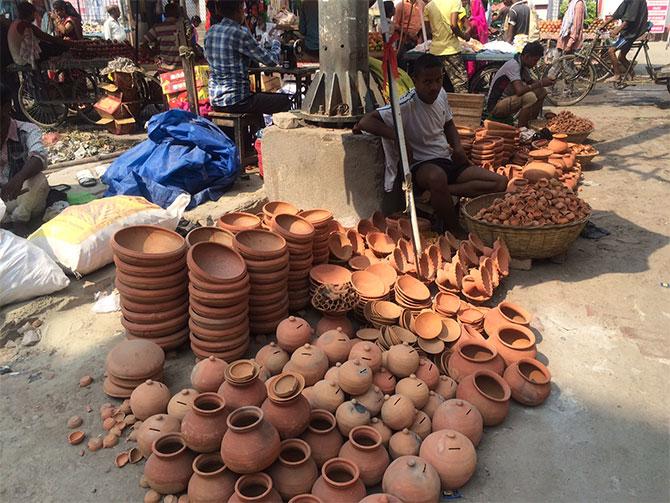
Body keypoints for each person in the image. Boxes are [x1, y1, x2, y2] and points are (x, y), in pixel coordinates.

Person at [355, 54, 507, 233]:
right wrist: (399, 137)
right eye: (427, 82)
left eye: (438, 80)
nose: (434, 87)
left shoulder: (441, 94)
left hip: (446, 159)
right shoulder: (405, 104)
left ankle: (445, 191)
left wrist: (458, 148)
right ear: (415, 80)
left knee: (501, 182)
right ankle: (454, 229)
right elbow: (365, 122)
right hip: (423, 166)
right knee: (437, 178)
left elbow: (448, 123)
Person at [204, 0, 291, 114]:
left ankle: (257, 129)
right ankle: (268, 131)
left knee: (258, 98)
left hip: (216, 101)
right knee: (283, 101)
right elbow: (271, 61)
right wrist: (276, 43)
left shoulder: (210, 31)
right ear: (239, 10)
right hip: (237, 101)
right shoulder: (240, 32)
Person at [0, 84, 49, 230]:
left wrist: (19, 178)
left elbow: (39, 157)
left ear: (7, 107)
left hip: (21, 197)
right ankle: (5, 221)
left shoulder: (27, 130)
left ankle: (18, 222)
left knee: (39, 180)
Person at [486, 41, 554, 127]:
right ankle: (522, 129)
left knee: (541, 91)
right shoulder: (513, 65)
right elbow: (519, 91)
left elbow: (531, 83)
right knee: (529, 97)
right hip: (496, 106)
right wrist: (541, 83)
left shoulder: (522, 65)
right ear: (526, 56)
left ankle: (532, 124)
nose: (535, 64)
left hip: (508, 101)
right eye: (535, 60)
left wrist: (545, 82)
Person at [424, 0, 471, 94]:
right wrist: (464, 36)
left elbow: (428, 30)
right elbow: (453, 25)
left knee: (436, 83)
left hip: (435, 51)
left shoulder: (429, 6)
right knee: (461, 85)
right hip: (451, 50)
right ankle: (460, 107)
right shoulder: (455, 2)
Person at [8, 1, 68, 68]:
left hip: (18, 59)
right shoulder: (24, 24)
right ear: (30, 13)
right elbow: (47, 37)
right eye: (34, 13)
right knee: (59, 47)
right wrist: (68, 43)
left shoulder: (15, 23)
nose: (35, 15)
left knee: (49, 45)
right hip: (25, 59)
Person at [600, 0, 649, 82]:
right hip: (628, 31)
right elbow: (617, 14)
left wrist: (617, 29)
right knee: (621, 57)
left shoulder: (636, 1)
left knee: (611, 51)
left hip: (632, 32)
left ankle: (617, 76)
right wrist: (603, 25)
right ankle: (632, 74)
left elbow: (630, 19)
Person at [141, 2, 181, 71]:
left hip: (164, 67)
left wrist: (152, 55)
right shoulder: (182, 27)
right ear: (178, 14)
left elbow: (142, 43)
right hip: (182, 67)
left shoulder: (157, 28)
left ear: (165, 14)